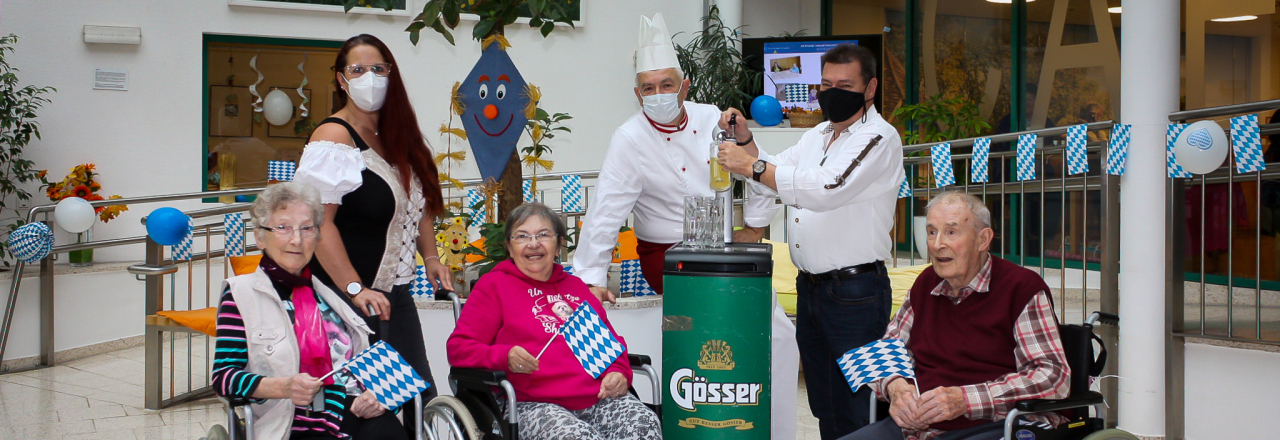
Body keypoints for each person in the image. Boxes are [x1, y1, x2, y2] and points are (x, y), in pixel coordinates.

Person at [571, 13, 801, 438]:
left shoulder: (714, 117)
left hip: (725, 252)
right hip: (667, 262)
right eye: (648, 87)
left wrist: (753, 225)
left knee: (779, 335)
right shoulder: (629, 138)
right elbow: (605, 212)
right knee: (695, 338)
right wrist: (588, 278)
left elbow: (759, 163)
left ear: (684, 86)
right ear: (637, 94)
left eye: (666, 84)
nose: (658, 94)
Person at [716, 43, 904, 439]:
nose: (832, 92)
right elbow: (779, 172)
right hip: (812, 289)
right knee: (824, 404)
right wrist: (749, 142)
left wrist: (751, 164)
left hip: (856, 292)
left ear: (870, 88)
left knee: (860, 405)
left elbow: (824, 188)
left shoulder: (878, 137)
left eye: (845, 84)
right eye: (825, 83)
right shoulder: (818, 134)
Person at [294, 33, 449, 438]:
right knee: (366, 412)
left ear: (391, 74)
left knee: (420, 397)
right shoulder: (334, 138)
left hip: (395, 295)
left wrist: (431, 258)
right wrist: (353, 286)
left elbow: (419, 206)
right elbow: (316, 223)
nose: (370, 77)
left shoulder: (401, 134)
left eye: (378, 68)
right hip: (347, 303)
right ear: (341, 80)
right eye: (358, 70)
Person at [841, 192, 1070, 440]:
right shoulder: (925, 284)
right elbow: (886, 350)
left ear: (983, 240)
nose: (938, 243)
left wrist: (965, 400)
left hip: (996, 424)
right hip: (919, 427)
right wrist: (896, 387)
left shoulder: (1021, 288)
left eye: (951, 232)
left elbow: (1053, 376)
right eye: (931, 232)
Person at [447, 202, 662, 440]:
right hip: (531, 404)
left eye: (543, 234)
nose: (533, 243)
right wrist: (503, 357)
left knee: (644, 422)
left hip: (596, 397)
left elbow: (611, 345)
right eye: (522, 236)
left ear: (559, 243)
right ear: (509, 246)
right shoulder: (494, 287)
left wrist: (619, 372)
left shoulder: (576, 287)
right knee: (576, 436)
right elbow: (458, 348)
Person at [212, 182, 406, 440]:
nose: (296, 239)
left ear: (316, 236)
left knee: (390, 432)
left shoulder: (327, 293)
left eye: (306, 228)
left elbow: (372, 361)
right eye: (282, 228)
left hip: (352, 410)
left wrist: (381, 392)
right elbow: (224, 378)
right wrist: (284, 386)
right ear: (259, 236)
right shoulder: (240, 295)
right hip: (291, 420)